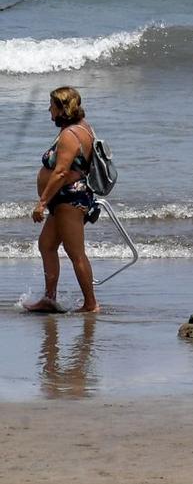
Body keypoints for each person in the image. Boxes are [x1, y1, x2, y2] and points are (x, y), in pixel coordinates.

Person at [28, 86, 100, 314]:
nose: (49, 110)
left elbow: (60, 172)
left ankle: (91, 304)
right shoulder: (82, 128)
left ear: (61, 108)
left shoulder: (70, 135)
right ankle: (50, 299)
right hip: (65, 200)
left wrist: (41, 203)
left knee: (75, 252)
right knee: (47, 245)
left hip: (71, 201)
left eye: (52, 106)